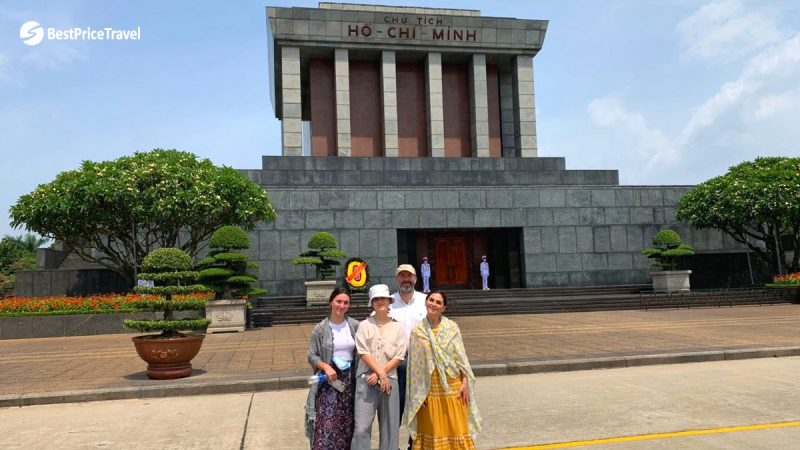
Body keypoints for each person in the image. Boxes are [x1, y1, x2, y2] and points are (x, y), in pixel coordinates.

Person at [406, 291, 482, 450]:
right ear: (426, 302)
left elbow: (461, 358)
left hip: (453, 387)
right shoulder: (417, 330)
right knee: (433, 428)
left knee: (455, 427)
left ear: (443, 308)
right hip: (429, 389)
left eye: (438, 302)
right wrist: (418, 393)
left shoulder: (452, 328)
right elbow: (414, 366)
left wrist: (465, 383)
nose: (433, 304)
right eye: (431, 300)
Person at [351, 284, 407, 450]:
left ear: (389, 301)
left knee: (389, 427)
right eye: (376, 299)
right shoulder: (364, 325)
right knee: (361, 427)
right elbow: (363, 352)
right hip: (366, 379)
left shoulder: (397, 326)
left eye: (383, 298)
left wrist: (382, 374)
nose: (380, 301)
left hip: (390, 380)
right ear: (372, 303)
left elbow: (399, 355)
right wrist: (380, 374)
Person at [305, 287, 361, 450]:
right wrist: (325, 367)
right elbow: (312, 355)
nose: (341, 306)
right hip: (329, 382)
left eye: (346, 302)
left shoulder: (354, 326)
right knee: (326, 424)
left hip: (349, 381)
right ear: (331, 302)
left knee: (347, 424)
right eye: (338, 301)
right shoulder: (321, 328)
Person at [390, 264, 428, 421]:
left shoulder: (426, 300)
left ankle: (416, 445)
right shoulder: (388, 302)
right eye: (402, 276)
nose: (406, 280)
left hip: (421, 361)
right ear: (396, 279)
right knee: (396, 408)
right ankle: (393, 444)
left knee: (421, 407)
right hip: (396, 363)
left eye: (409, 276)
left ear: (416, 279)